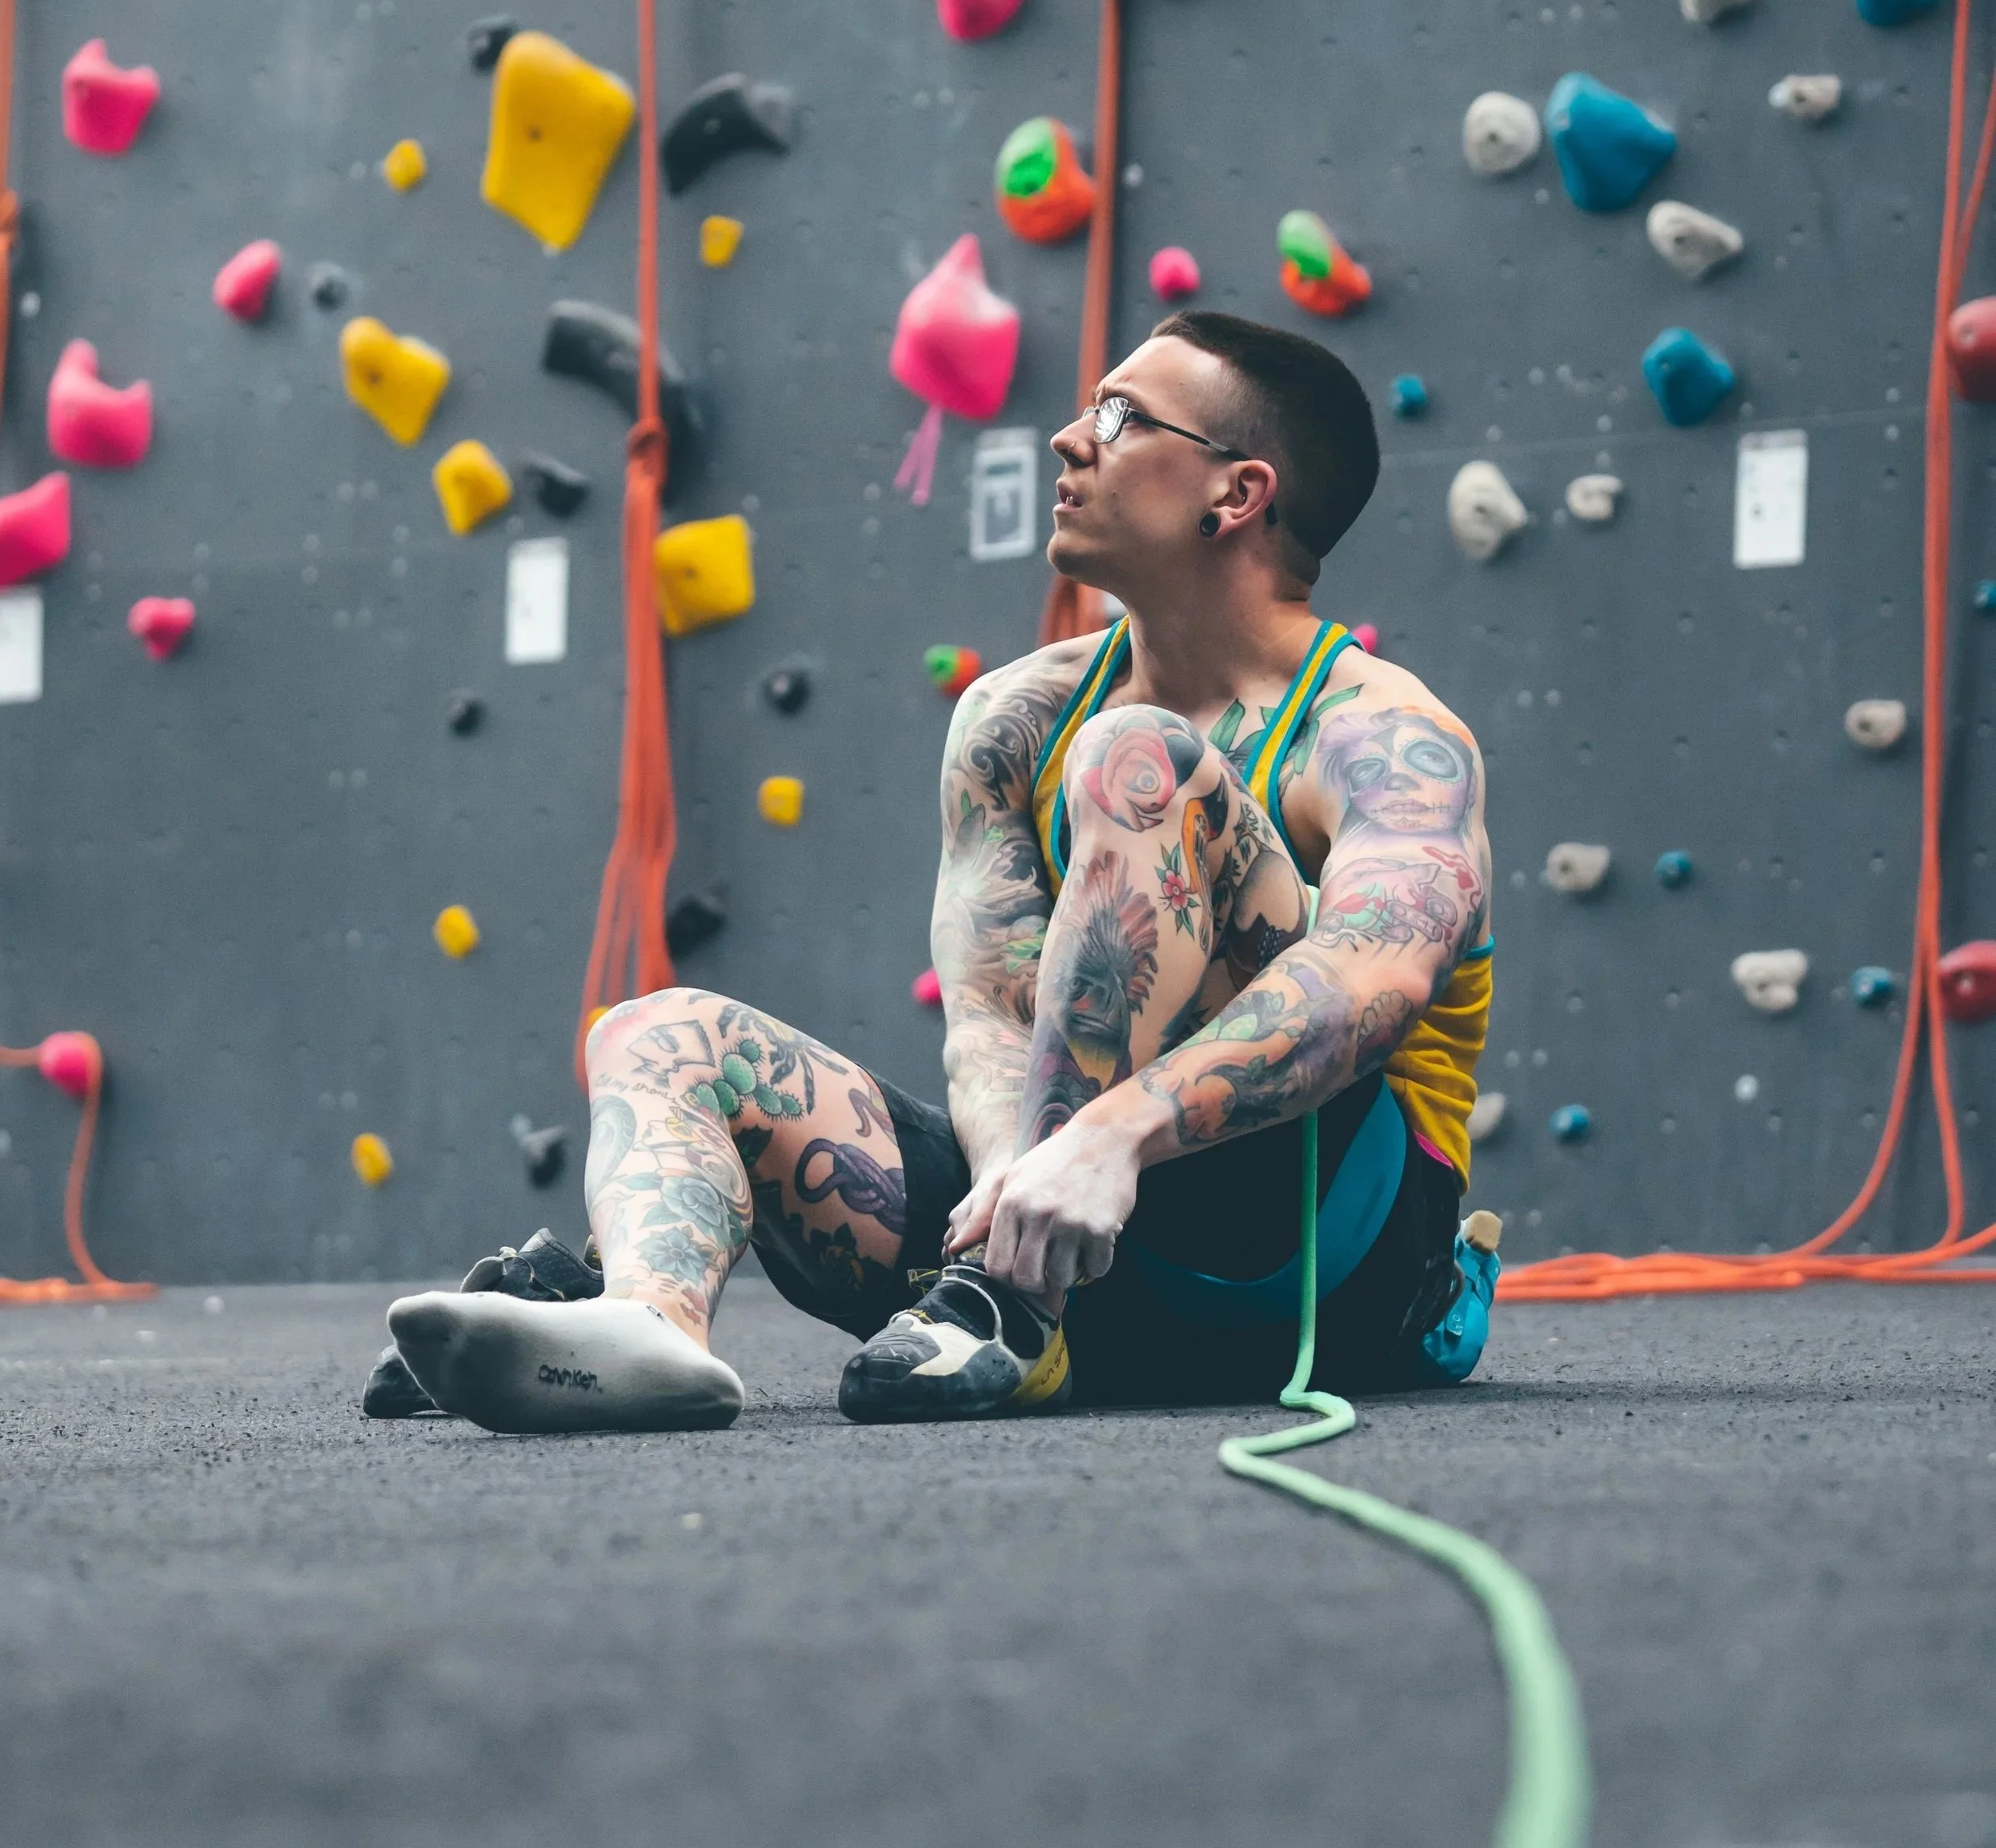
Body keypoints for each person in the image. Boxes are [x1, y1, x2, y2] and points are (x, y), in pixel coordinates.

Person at [376, 311, 1493, 1434]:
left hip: (1324, 1266)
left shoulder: (1382, 734)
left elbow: (1371, 983)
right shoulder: (1018, 715)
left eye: (1119, 415)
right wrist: (1016, 1182)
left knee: (1138, 759)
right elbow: (994, 1014)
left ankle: (1018, 1300)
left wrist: (1111, 1137)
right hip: (1068, 1243)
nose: (1069, 438)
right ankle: (645, 1322)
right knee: (658, 1031)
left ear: (1237, 494)